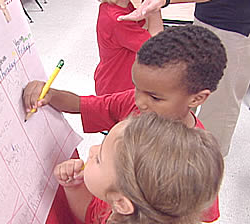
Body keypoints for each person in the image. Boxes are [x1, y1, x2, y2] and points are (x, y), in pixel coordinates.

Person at [24, 25, 227, 222]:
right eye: (137, 88)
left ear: (197, 98)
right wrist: (51, 94)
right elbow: (83, 104)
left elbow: (199, 216)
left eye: (154, 97)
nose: (140, 101)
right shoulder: (133, 104)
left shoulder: (194, 158)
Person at [119, 0, 250, 157]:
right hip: (208, 17)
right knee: (181, 92)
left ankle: (203, 165)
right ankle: (169, 153)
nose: (140, 102)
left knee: (220, 105)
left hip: (235, 26)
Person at [54, 113, 224, 223]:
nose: (91, 150)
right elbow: (92, 214)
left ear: (121, 203)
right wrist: (74, 187)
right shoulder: (133, 205)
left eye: (99, 160)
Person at [94, 0, 163, 95]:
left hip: (111, 81)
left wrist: (149, 6)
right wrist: (154, 9)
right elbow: (156, 48)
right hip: (119, 89)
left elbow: (144, 24)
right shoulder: (118, 19)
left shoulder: (114, 7)